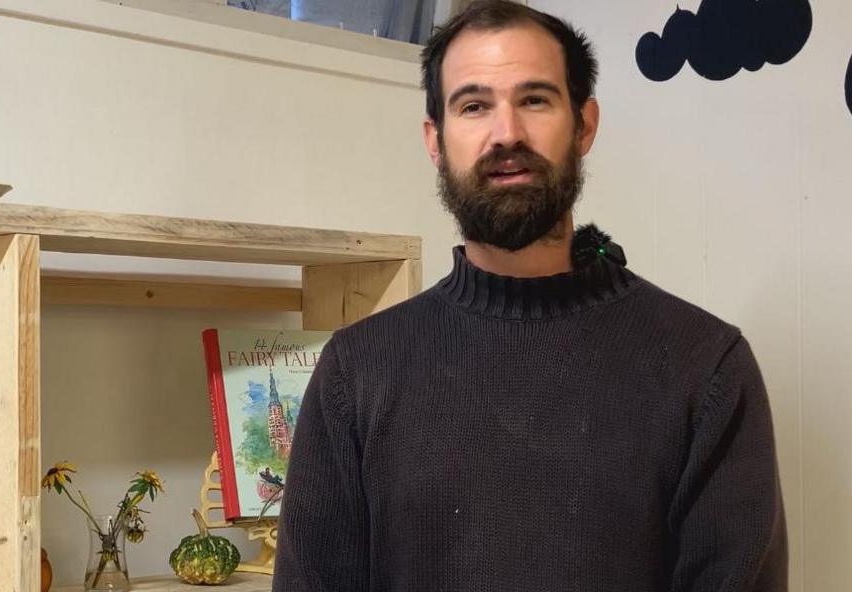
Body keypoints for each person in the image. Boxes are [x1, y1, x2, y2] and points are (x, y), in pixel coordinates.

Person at [272, 1, 788, 591]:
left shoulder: (706, 369)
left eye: (535, 100)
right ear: (435, 140)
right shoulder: (355, 373)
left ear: (585, 125)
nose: (507, 133)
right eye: (474, 106)